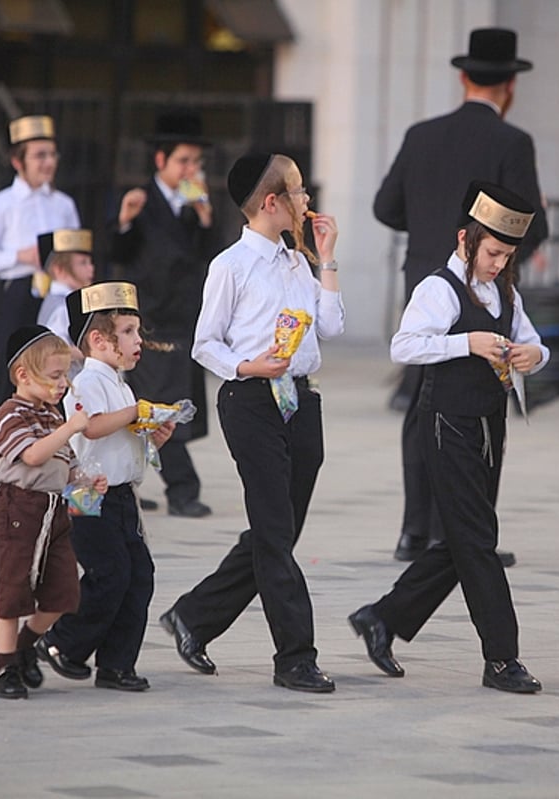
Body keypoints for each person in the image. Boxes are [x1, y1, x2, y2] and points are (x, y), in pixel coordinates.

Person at [349, 181, 547, 694]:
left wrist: (534, 356)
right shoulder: (439, 289)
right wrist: (468, 342)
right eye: (493, 253)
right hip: (445, 425)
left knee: (465, 538)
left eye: (507, 256)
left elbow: (531, 340)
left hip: (489, 424)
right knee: (479, 541)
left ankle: (383, 618)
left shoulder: (505, 289)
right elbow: (404, 347)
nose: (499, 264)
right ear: (466, 240)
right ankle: (502, 658)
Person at [160, 152, 344, 693]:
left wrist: (327, 259)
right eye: (300, 191)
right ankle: (295, 656)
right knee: (274, 531)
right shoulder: (230, 266)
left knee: (278, 532)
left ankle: (194, 616)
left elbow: (330, 327)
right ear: (272, 203)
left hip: (300, 402)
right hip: (250, 401)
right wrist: (248, 366)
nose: (308, 200)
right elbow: (204, 344)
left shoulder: (297, 262)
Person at [374, 27, 548, 565]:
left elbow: (385, 207)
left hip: (424, 274)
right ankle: (465, 535)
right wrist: (498, 257)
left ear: (463, 76)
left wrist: (428, 232)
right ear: (510, 87)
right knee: (474, 405)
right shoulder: (512, 143)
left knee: (422, 398)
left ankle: (414, 531)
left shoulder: (421, 134)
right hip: (481, 287)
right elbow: (527, 225)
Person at [35, 282, 175, 692]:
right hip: (89, 495)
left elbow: (123, 435)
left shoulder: (120, 382)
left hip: (122, 497)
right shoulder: (85, 383)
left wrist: (151, 436)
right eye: (129, 332)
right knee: (109, 573)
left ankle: (117, 664)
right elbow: (92, 428)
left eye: (137, 331)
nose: (138, 341)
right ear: (98, 340)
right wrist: (135, 412)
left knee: (139, 575)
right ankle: (62, 642)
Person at [0, 325, 105, 699]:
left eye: (66, 375)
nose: (64, 384)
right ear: (23, 375)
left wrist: (85, 480)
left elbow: (60, 464)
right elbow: (34, 455)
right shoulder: (10, 413)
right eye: (55, 376)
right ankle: (6, 668)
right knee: (14, 588)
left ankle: (25, 646)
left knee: (63, 592)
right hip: (17, 508)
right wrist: (71, 427)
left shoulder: (52, 416)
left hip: (54, 512)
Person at [0, 115, 81, 510]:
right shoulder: (0, 206)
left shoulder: (64, 205)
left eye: (51, 154)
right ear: (19, 161)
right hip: (20, 293)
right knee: (7, 384)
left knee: (59, 383)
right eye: (39, 156)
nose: (47, 163)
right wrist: (23, 256)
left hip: (57, 297)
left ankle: (61, 472)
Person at [111, 109, 215, 519]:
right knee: (159, 404)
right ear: (161, 161)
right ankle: (183, 490)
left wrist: (205, 217)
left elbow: (212, 255)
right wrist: (123, 222)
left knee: (154, 402)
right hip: (149, 319)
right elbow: (117, 253)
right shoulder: (139, 200)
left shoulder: (196, 206)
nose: (191, 169)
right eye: (183, 161)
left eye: (196, 162)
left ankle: (123, 479)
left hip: (185, 317)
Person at [36, 228, 95, 347]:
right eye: (83, 263)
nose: (91, 268)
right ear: (59, 269)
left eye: (90, 262)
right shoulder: (62, 308)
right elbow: (57, 349)